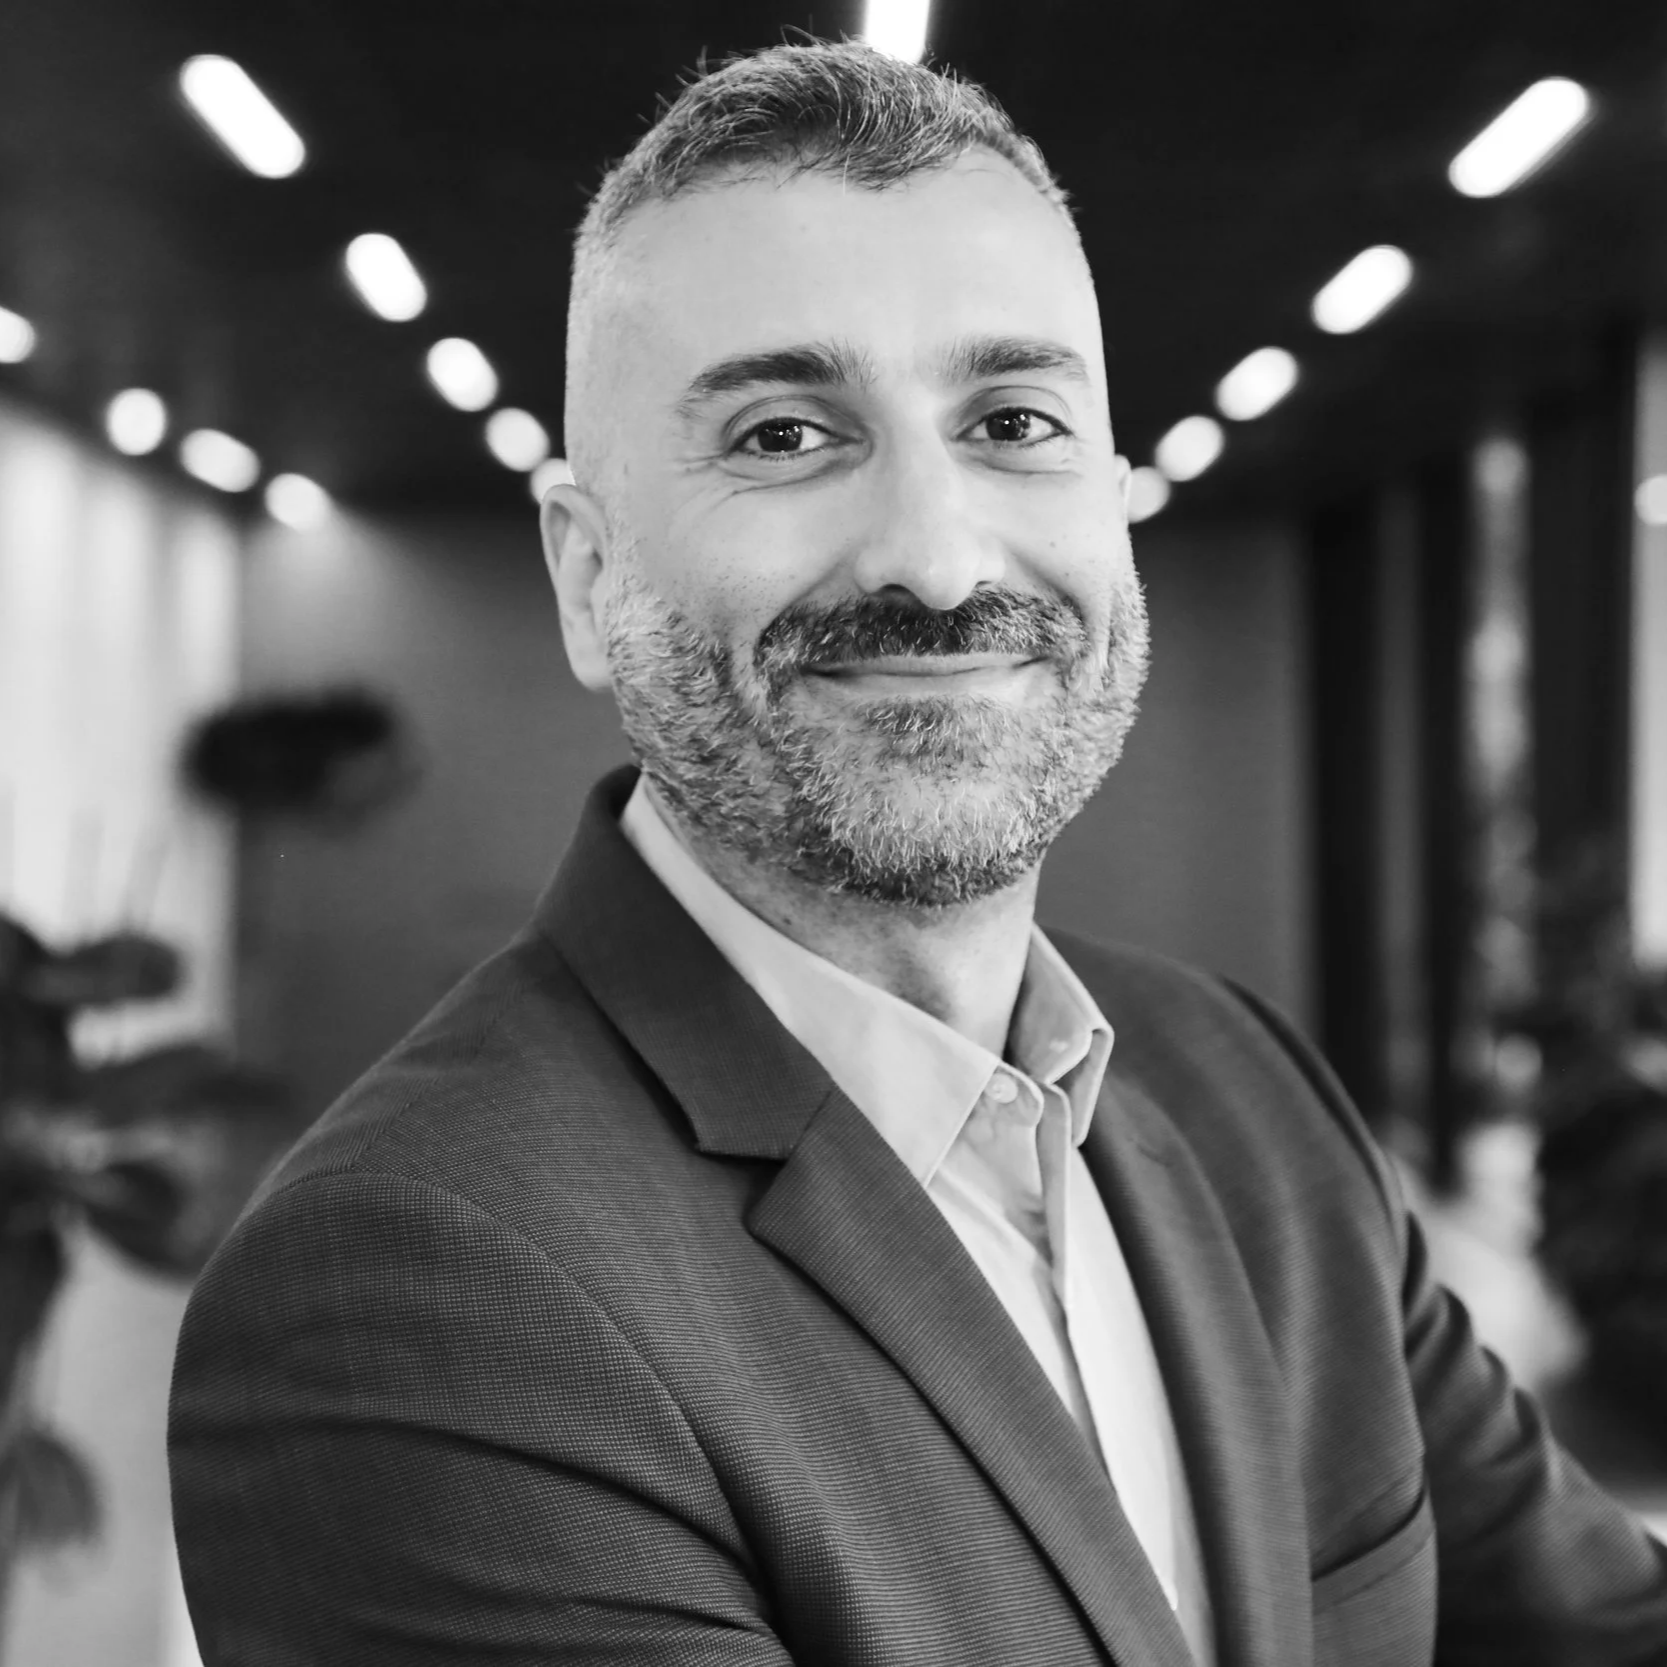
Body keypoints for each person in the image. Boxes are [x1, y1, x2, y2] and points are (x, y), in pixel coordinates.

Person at [168, 39, 1667, 1667]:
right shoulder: (408, 1289)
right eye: (782, 435)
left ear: (1112, 499)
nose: (940, 562)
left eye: (1012, 417)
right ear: (589, 575)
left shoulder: (1251, 1095)